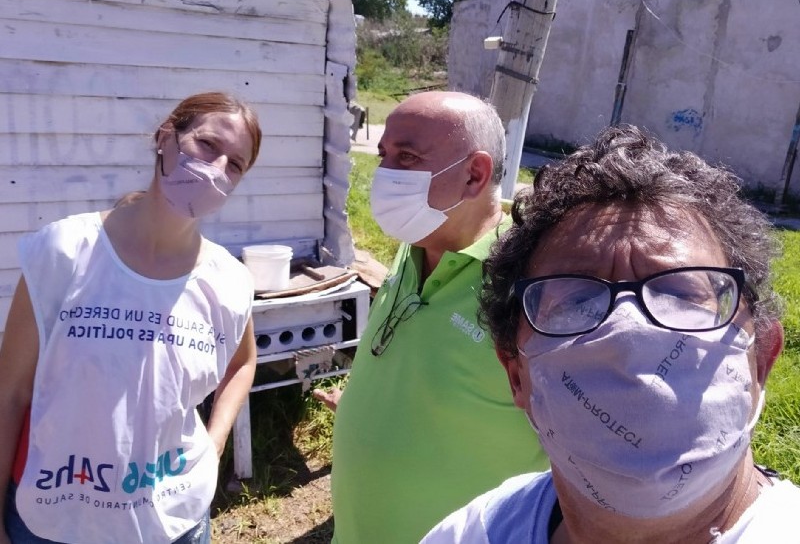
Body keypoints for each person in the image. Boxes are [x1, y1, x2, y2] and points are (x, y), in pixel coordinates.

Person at [422, 125, 800, 543]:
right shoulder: (472, 533)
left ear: (762, 358)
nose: (627, 330)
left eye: (680, 291)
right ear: (516, 375)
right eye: (574, 297)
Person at [0, 92, 262, 544]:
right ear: (166, 138)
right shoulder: (62, 251)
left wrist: (214, 444)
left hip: (177, 521)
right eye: (207, 145)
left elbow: (242, 363)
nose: (217, 170)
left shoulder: (230, 281)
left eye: (235, 164)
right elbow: (9, 394)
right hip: (52, 523)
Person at [314, 91, 548, 543]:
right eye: (383, 155)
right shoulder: (415, 244)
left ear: (474, 175)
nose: (384, 174)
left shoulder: (531, 289)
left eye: (408, 157)